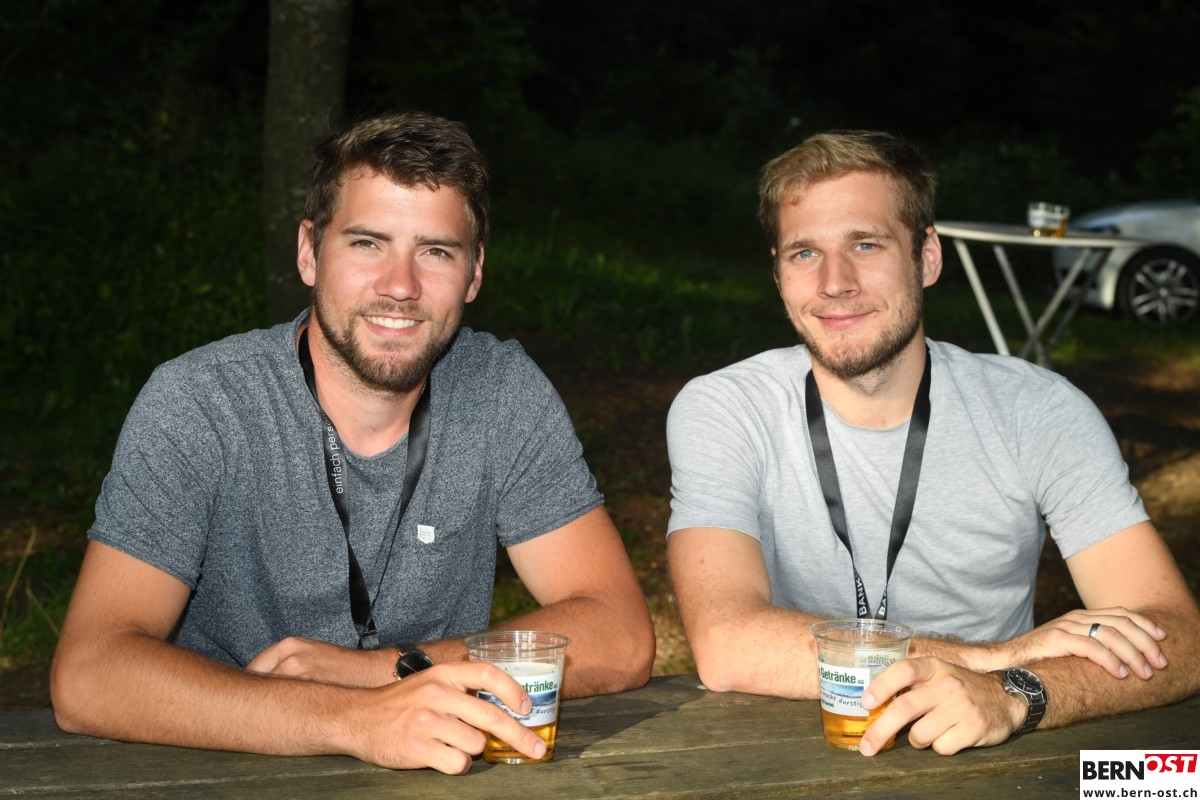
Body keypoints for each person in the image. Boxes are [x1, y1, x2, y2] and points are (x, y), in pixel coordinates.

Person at [51, 111, 655, 774]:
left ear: (475, 273)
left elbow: (620, 634)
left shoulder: (501, 393)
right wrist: (353, 718)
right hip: (223, 772)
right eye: (367, 243)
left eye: (436, 251)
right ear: (309, 252)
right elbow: (90, 674)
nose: (400, 285)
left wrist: (383, 673)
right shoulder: (202, 403)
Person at [666, 130, 1200, 756]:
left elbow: (1179, 638)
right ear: (779, 273)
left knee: (1151, 788)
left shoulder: (1038, 410)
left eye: (865, 244)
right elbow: (726, 642)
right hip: (789, 752)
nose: (834, 282)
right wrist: (998, 659)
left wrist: (1012, 694)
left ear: (927, 258)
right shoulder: (726, 408)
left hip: (994, 756)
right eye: (804, 253)